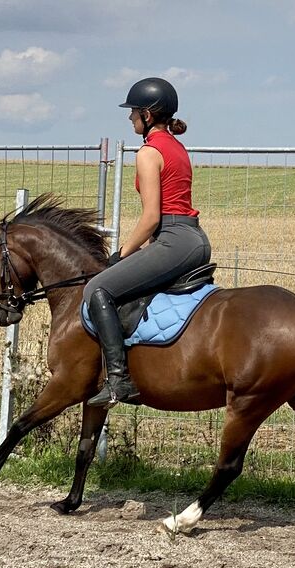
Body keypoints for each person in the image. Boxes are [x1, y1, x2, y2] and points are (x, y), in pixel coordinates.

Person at [84, 77, 212, 408]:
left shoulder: (149, 152)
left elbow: (152, 217)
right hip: (192, 237)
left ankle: (118, 381)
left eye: (134, 112)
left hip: (173, 240)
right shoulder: (177, 147)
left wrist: (121, 254)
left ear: (149, 115)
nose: (130, 118)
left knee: (98, 290)